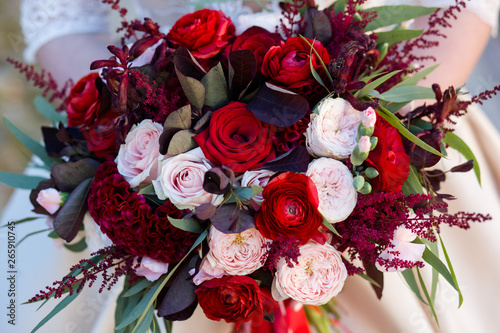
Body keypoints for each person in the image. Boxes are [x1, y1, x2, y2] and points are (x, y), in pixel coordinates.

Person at [3, 0, 499, 332]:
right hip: (149, 140)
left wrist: (379, 134)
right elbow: (61, 17)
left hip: (380, 127)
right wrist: (146, 131)